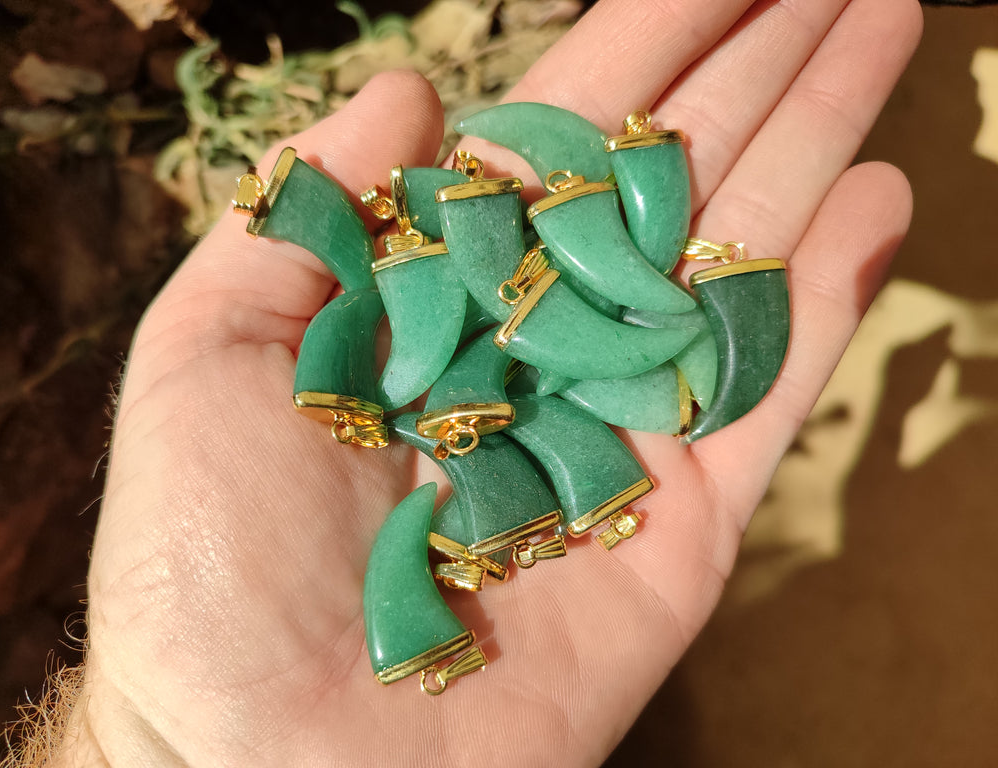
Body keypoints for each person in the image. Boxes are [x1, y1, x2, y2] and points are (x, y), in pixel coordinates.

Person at [46, 0, 922, 765]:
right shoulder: (437, 351)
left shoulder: (491, 338)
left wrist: (152, 748)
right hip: (546, 354)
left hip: (574, 345)